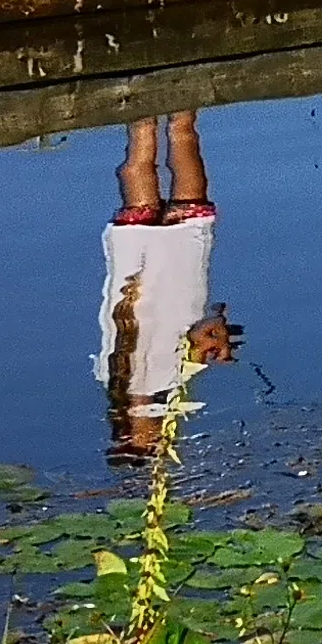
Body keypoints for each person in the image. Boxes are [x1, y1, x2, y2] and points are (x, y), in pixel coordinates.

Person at [95, 111, 237, 461]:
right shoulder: (109, 375)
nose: (161, 439)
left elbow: (203, 331)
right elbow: (199, 332)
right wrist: (214, 339)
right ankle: (143, 105)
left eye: (151, 443)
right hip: (136, 265)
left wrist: (219, 341)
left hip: (179, 269)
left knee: (181, 140)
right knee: (139, 166)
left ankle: (177, 103)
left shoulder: (169, 381)